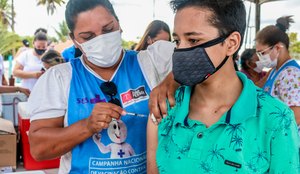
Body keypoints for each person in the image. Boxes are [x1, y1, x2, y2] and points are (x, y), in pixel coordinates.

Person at [147, 0, 299, 173]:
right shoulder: (164, 107)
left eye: (193, 39)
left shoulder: (276, 119)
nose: (180, 50)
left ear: (231, 43)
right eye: (177, 41)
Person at [27, 0, 174, 173]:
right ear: (74, 40)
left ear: (119, 24)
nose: (101, 40)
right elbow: (39, 149)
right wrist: (87, 126)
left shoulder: (153, 63)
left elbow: (200, 59)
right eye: (88, 37)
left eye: (108, 29)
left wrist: (173, 80)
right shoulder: (60, 78)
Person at [255, 16, 300, 126]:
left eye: (262, 53)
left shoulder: (290, 74)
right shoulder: (275, 71)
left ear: (278, 48)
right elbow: (257, 88)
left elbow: (297, 116)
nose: (259, 58)